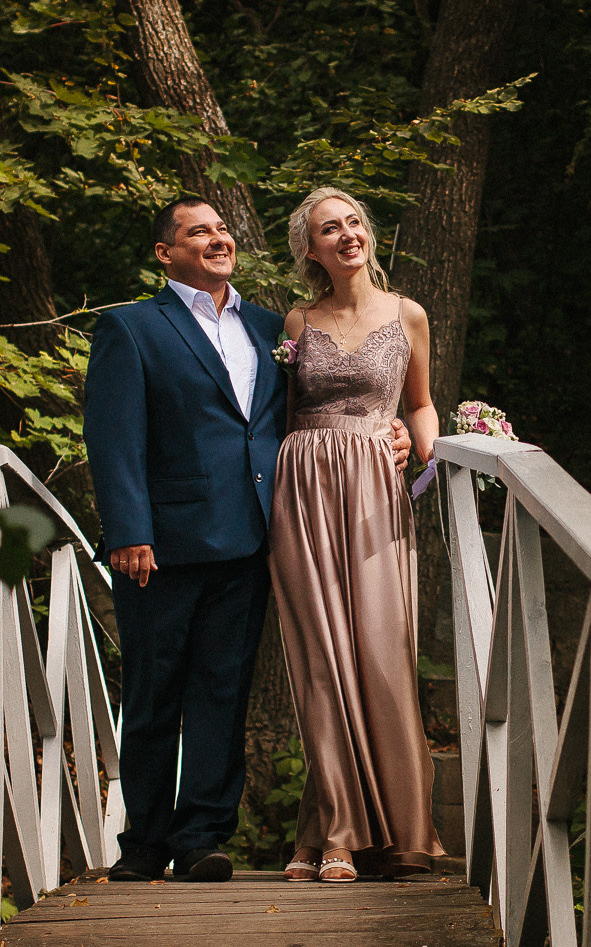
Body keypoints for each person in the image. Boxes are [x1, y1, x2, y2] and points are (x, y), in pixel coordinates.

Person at [84, 195, 403, 883]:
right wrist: (129, 530)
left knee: (220, 695)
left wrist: (394, 433)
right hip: (160, 546)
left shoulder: (271, 328)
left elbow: (310, 415)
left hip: (251, 539)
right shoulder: (132, 328)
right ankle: (143, 841)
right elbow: (112, 439)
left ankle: (202, 835)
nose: (218, 239)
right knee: (151, 695)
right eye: (199, 232)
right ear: (166, 252)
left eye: (222, 229)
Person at [269, 186, 443, 883]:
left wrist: (428, 455)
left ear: (367, 234)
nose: (346, 235)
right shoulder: (295, 321)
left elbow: (423, 404)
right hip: (304, 489)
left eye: (353, 223)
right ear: (311, 251)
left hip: (375, 487)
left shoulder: (409, 315)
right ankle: (337, 832)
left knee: (379, 649)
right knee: (320, 663)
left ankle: (386, 829)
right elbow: (273, 412)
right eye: (328, 229)